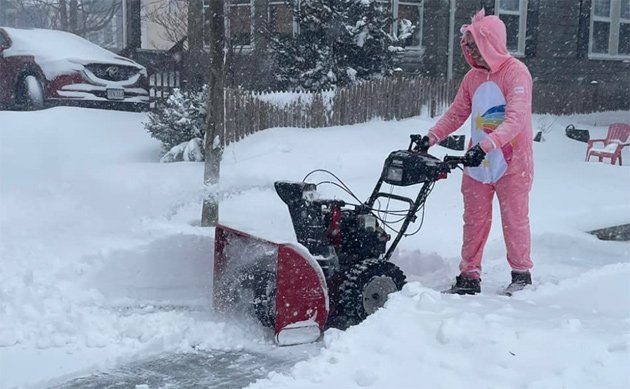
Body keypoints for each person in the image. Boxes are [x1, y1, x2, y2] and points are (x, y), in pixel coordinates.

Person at [422, 9, 534, 295]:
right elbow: (457, 112)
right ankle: (469, 275)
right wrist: (431, 137)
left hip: (511, 162)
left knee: (514, 219)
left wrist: (485, 146)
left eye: (474, 45)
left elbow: (515, 120)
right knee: (473, 220)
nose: (471, 50)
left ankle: (521, 275)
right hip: (477, 163)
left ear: (491, 42)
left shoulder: (516, 73)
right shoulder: (472, 78)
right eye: (468, 45)